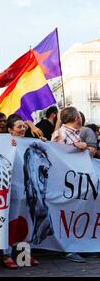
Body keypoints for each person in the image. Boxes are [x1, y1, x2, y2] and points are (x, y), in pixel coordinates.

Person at [2, 115, 41, 269]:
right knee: (11, 221)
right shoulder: (5, 142)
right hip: (13, 189)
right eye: (18, 127)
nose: (22, 129)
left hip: (28, 190)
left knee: (25, 221)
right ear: (10, 130)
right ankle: (6, 254)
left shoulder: (29, 142)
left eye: (23, 126)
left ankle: (23, 255)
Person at [52, 107, 88, 264]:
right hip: (67, 181)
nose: (81, 117)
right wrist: (82, 146)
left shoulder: (66, 132)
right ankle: (69, 249)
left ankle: (75, 246)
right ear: (75, 117)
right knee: (70, 214)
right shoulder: (63, 133)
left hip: (72, 180)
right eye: (79, 114)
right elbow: (60, 154)